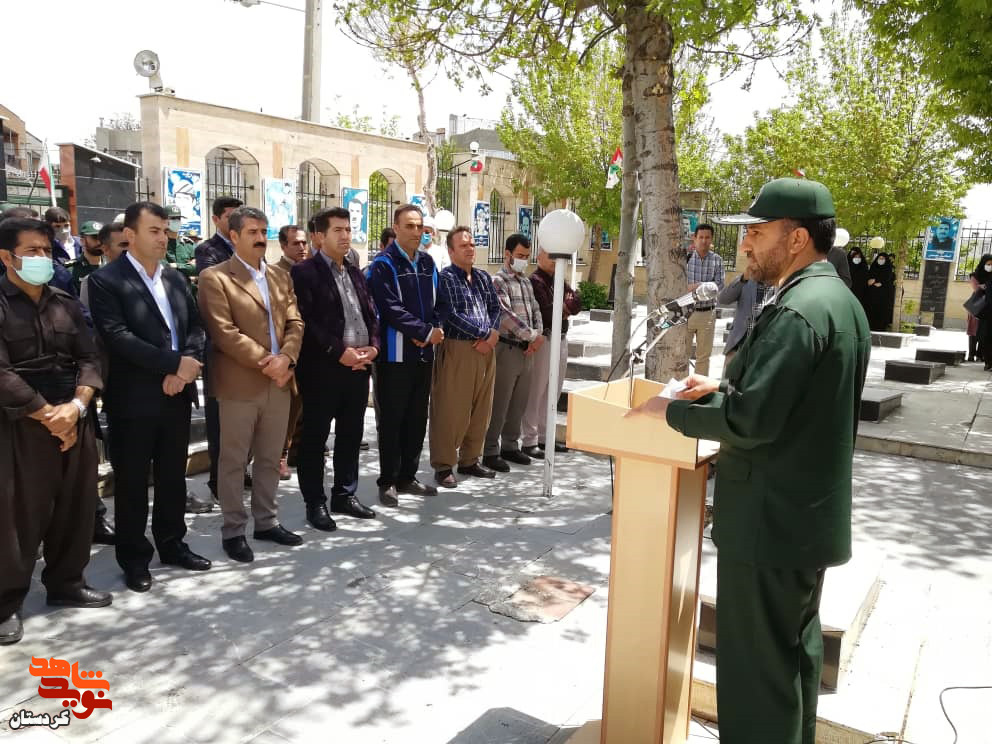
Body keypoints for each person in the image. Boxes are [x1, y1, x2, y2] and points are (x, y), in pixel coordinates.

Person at [630, 177, 871, 744]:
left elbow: (751, 420)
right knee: (790, 663)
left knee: (756, 675)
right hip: (801, 521)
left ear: (797, 239)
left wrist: (670, 410)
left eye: (758, 233)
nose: (746, 245)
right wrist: (719, 387)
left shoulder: (798, 310)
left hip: (769, 523)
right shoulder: (836, 300)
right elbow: (796, 400)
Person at [0, 217, 113, 646]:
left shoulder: (64, 302)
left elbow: (90, 357)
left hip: (73, 414)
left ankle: (67, 583)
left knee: (76, 505)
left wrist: (77, 407)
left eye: (46, 251)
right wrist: (49, 414)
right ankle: (6, 603)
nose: (42, 258)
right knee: (18, 515)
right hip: (21, 422)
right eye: (31, 251)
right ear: (6, 257)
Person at [88, 201, 211, 593]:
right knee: (132, 483)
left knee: (173, 478)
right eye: (154, 231)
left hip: (177, 395)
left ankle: (172, 544)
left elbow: (196, 326)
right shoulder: (107, 280)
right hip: (134, 400)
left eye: (165, 230)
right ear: (130, 234)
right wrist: (175, 364)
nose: (163, 238)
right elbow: (118, 337)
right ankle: (134, 558)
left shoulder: (174, 278)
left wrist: (187, 365)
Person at [197, 207, 304, 563]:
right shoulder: (215, 277)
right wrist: (270, 363)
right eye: (252, 232)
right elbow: (223, 332)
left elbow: (295, 322)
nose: (260, 238)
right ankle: (233, 530)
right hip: (240, 384)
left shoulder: (280, 276)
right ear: (234, 236)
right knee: (233, 461)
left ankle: (266, 521)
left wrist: (286, 359)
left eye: (263, 231)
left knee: (270, 458)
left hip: (280, 381)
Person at [291, 207, 379, 531]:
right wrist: (340, 351)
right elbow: (306, 321)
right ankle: (315, 502)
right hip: (323, 370)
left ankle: (345, 494)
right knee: (315, 439)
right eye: (337, 230)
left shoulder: (355, 272)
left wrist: (373, 347)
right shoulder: (305, 273)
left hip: (359, 368)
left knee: (351, 435)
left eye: (348, 229)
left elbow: (371, 315)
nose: (345, 236)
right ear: (319, 236)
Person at [368, 205, 442, 506]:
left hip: (424, 356)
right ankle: (388, 480)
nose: (416, 232)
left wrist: (434, 329)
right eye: (409, 226)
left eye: (419, 226)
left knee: (416, 418)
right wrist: (422, 331)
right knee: (392, 419)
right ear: (396, 228)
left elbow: (440, 301)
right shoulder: (383, 265)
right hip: (394, 357)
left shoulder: (427, 262)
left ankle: (408, 477)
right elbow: (389, 308)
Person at [429, 227, 501, 487]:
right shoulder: (446, 278)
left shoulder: (482, 277)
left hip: (486, 350)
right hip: (458, 349)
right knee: (451, 410)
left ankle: (470, 459)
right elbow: (450, 315)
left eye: (471, 244)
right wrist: (485, 334)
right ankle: (444, 464)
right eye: (463, 245)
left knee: (482, 408)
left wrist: (492, 335)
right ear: (451, 251)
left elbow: (495, 307)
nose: (470, 249)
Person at [195, 196, 244, 502]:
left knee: (244, 418)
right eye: (230, 216)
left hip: (248, 346)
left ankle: (239, 472)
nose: (236, 220)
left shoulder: (248, 249)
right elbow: (222, 290)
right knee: (220, 420)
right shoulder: (208, 251)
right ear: (216, 220)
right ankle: (218, 479)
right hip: (221, 347)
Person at [482, 233, 544, 472]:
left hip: (527, 350)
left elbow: (535, 309)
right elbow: (505, 315)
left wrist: (536, 335)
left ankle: (510, 445)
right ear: (507, 254)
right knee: (500, 402)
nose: (523, 260)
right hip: (507, 348)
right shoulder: (498, 281)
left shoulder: (526, 281)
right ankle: (490, 450)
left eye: (527, 256)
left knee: (519, 402)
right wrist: (531, 336)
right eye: (519, 255)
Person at [520, 247, 581, 457]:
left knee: (553, 391)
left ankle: (546, 437)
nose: (555, 259)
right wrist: (564, 308)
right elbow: (547, 312)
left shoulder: (559, 279)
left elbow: (577, 301)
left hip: (561, 338)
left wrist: (563, 308)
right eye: (550, 255)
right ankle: (529, 439)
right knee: (537, 390)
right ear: (538, 257)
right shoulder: (535, 281)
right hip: (545, 339)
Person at [276, 224, 309, 478]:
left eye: (304, 243)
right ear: (283, 246)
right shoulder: (276, 273)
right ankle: (280, 455)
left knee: (304, 406)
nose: (301, 247)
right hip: (287, 348)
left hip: (312, 347)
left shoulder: (310, 270)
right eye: (295, 243)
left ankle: (299, 451)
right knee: (287, 407)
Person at [685, 224, 725, 375]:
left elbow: (719, 286)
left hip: (707, 314)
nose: (704, 241)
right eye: (700, 237)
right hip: (686, 313)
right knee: (681, 355)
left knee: (703, 357)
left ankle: (699, 388)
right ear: (694, 238)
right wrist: (704, 286)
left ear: (711, 239)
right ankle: (681, 386)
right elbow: (679, 286)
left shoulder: (717, 260)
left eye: (707, 237)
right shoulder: (685, 259)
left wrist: (694, 287)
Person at [716, 268, 775, 365]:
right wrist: (743, 278)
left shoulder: (778, 285)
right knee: (729, 374)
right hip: (738, 346)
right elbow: (723, 299)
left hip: (763, 350)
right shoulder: (746, 281)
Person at [79, 223, 129, 308]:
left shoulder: (146, 275)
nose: (128, 249)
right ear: (105, 249)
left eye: (131, 244)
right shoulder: (93, 281)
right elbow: (86, 313)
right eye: (123, 245)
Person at [65, 221, 105, 295]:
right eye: (95, 238)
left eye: (102, 238)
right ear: (82, 241)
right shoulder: (71, 268)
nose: (99, 242)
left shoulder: (112, 264)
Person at [164, 205, 198, 284]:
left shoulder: (188, 244)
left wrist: (176, 265)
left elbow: (198, 268)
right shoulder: (159, 244)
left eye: (178, 218)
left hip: (187, 288)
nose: (176, 221)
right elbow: (163, 268)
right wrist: (188, 267)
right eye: (173, 218)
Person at [865, 252, 895, 331]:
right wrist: (870, 282)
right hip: (872, 297)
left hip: (883, 298)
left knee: (881, 312)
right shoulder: (873, 267)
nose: (881, 260)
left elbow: (886, 280)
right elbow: (868, 279)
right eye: (879, 258)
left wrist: (877, 281)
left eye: (883, 259)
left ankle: (881, 327)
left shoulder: (888, 270)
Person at [972, 256, 992, 370]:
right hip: (984, 311)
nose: (990, 266)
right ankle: (987, 361)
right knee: (984, 337)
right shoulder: (978, 275)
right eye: (988, 264)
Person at [846, 247, 869, 312]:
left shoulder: (864, 266)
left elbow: (866, 278)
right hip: (849, 291)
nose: (857, 258)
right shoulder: (847, 265)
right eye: (855, 256)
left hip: (861, 293)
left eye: (858, 257)